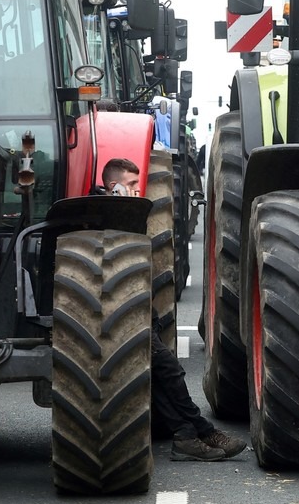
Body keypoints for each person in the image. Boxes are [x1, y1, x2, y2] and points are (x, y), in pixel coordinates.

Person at [99, 157, 246, 461]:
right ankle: (201, 431)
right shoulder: (100, 218)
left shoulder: (127, 218)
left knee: (163, 370)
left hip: (137, 315)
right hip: (114, 318)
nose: (137, 191)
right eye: (131, 186)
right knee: (168, 369)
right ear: (113, 187)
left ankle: (188, 435)